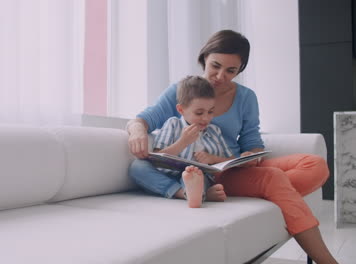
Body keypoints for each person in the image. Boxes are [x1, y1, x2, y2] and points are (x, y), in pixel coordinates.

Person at [126, 30, 338, 264]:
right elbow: (144, 119)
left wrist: (252, 155)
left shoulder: (246, 97)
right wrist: (137, 131)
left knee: (315, 165)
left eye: (231, 70)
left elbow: (252, 141)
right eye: (215, 66)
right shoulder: (183, 91)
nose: (220, 76)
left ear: (240, 70)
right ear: (204, 57)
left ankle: (270, 192)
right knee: (272, 178)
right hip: (213, 175)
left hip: (234, 164)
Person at [130, 75, 232, 208]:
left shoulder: (214, 131)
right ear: (181, 110)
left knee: (197, 177)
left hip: (198, 176)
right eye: (199, 113)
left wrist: (212, 158)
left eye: (211, 111)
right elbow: (157, 158)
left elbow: (229, 159)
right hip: (167, 176)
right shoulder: (173, 124)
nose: (206, 118)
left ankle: (195, 192)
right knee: (138, 167)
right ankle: (190, 194)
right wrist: (182, 142)